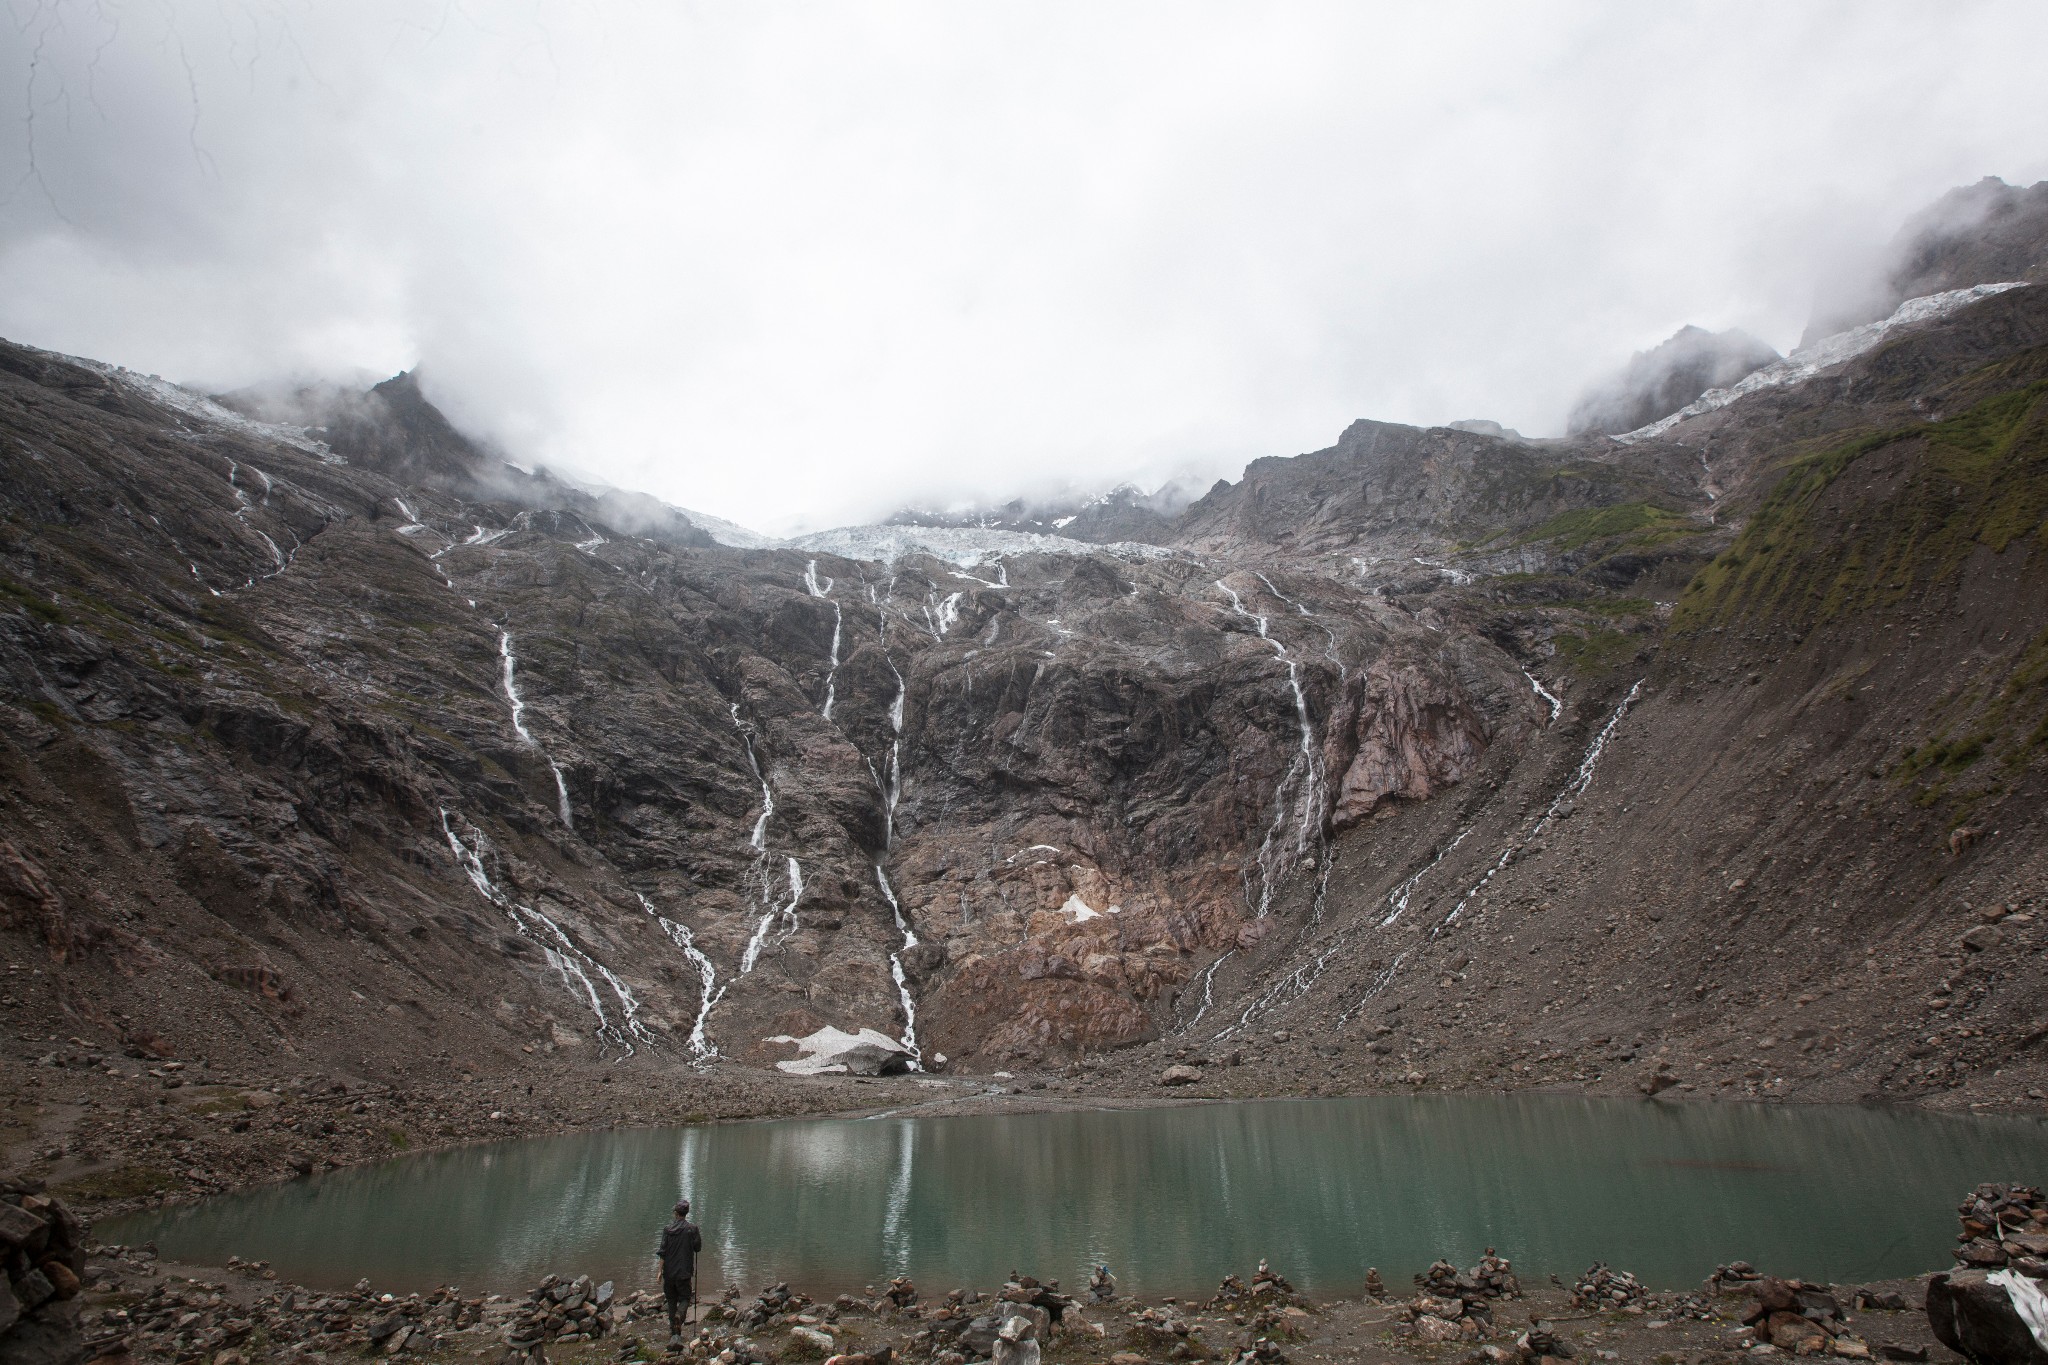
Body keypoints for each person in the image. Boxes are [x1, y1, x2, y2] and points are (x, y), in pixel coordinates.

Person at [657, 1199, 703, 1341]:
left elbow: (662, 1252)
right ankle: (680, 1315)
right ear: (686, 1213)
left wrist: (659, 1271)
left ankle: (674, 1332)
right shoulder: (692, 1229)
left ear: (676, 1213)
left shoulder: (667, 1230)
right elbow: (697, 1248)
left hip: (669, 1272)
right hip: (684, 1272)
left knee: (671, 1299)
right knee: (685, 1298)